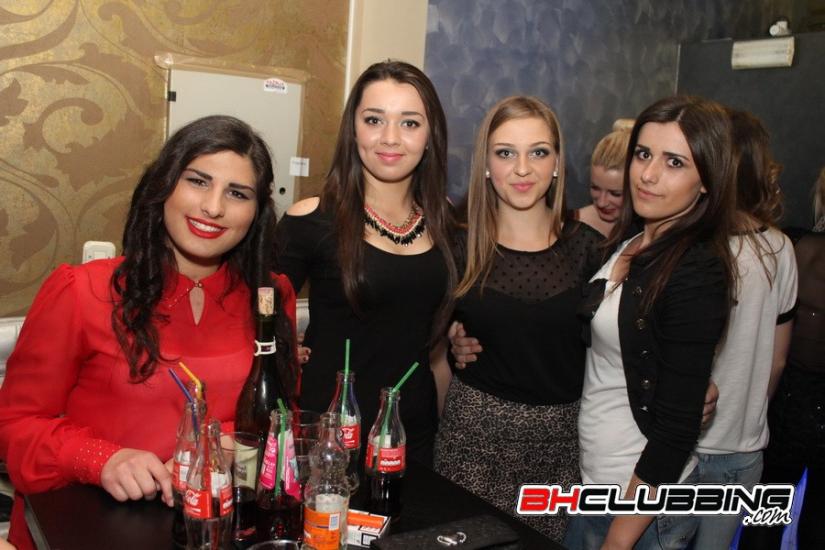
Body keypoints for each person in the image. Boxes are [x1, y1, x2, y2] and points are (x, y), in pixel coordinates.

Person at [0, 116, 298, 550]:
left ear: (257, 212)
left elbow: (282, 412)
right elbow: (14, 425)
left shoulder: (270, 297)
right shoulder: (81, 291)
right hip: (88, 527)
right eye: (198, 181)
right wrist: (102, 460)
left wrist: (235, 441)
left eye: (237, 193)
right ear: (164, 185)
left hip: (215, 529)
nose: (213, 207)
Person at [564, 95, 737, 550]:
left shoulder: (695, 269)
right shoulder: (634, 239)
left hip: (639, 507)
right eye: (643, 154)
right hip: (598, 485)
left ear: (707, 180)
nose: (648, 174)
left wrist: (619, 539)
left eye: (674, 162)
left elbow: (676, 430)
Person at [433, 96, 603, 541]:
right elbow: (422, 341)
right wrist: (449, 341)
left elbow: (617, 348)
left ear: (558, 163)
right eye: (506, 152)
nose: (522, 169)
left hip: (561, 446)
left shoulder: (590, 249)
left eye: (538, 152)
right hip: (472, 439)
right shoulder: (458, 245)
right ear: (486, 165)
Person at [275, 60, 457, 465]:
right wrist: (283, 346)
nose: (390, 138)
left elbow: (441, 340)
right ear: (353, 130)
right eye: (374, 119)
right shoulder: (311, 220)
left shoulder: (447, 223)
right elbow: (252, 315)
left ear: (430, 136)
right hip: (328, 439)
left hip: (412, 434)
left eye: (410, 123)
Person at [690, 109, 798, 550]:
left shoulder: (685, 244)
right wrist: (748, 412)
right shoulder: (780, 247)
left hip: (676, 444)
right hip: (741, 447)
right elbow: (778, 360)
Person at [739, 169, 825, 550]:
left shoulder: (790, 246)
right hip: (787, 403)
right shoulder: (788, 245)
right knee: (801, 522)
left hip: (784, 404)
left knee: (773, 520)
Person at [576, 129, 631, 237]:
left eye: (615, 194)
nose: (602, 203)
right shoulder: (569, 226)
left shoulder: (648, 231)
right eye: (595, 188)